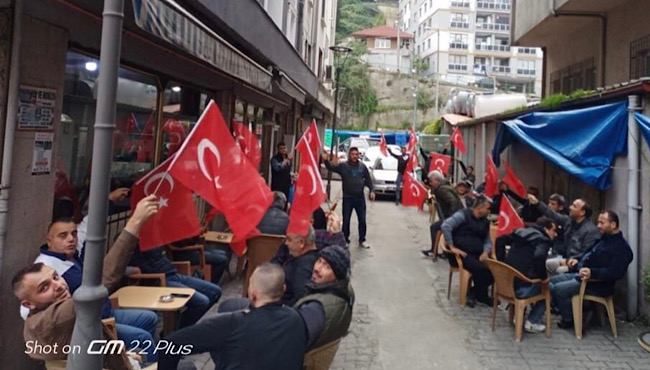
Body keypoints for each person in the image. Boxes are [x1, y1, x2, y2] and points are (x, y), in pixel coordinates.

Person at [12, 195, 159, 369]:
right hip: (103, 324)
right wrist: (135, 222)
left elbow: (86, 228)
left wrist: (123, 355)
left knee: (149, 319)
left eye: (56, 277)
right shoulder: (49, 320)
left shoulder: (70, 255)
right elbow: (101, 281)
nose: (58, 285)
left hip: (105, 330)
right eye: (44, 288)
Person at [158, 263, 308, 370]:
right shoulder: (297, 319)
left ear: (252, 293)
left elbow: (169, 345)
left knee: (187, 367)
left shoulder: (232, 324)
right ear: (283, 289)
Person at [550, 210, 633, 329]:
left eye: (602, 223)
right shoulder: (603, 239)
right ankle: (576, 309)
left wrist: (592, 273)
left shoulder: (621, 248)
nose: (598, 226)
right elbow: (588, 253)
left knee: (559, 289)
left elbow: (616, 272)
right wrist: (577, 260)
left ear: (613, 225)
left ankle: (569, 319)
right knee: (551, 282)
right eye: (598, 222)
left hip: (595, 284)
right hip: (580, 275)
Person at [130, 244, 222, 328]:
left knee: (216, 291)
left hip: (173, 274)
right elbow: (136, 268)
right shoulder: (131, 243)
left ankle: (180, 326)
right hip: (159, 281)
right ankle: (178, 330)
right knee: (202, 301)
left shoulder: (152, 237)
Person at [502, 217, 557, 333]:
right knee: (551, 288)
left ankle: (518, 316)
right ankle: (532, 321)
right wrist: (544, 277)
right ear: (546, 229)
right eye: (554, 230)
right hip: (522, 288)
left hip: (506, 285)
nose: (555, 234)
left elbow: (499, 240)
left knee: (527, 274)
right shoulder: (543, 240)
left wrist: (500, 260)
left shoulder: (519, 233)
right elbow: (539, 257)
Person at [295, 245, 354, 350]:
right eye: (319, 261)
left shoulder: (315, 309)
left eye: (327, 267)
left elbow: (294, 343)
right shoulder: (343, 291)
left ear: (337, 276)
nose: (317, 268)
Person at [441, 196, 494, 307]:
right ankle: (477, 294)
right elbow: (446, 226)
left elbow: (487, 240)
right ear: (481, 207)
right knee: (481, 269)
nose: (489, 211)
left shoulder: (485, 222)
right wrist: (451, 246)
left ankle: (475, 293)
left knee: (495, 271)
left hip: (478, 253)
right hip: (461, 253)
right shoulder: (463, 215)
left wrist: (485, 252)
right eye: (488, 208)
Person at [527, 194, 600, 274]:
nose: (570, 207)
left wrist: (569, 261)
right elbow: (553, 215)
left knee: (560, 270)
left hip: (577, 265)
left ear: (582, 212)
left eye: (574, 206)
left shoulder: (590, 231)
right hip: (565, 258)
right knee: (546, 263)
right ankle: (545, 285)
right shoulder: (569, 221)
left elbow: (587, 253)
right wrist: (538, 203)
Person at [323, 147, 375, 249]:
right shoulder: (343, 166)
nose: (355, 156)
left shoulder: (362, 167)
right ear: (349, 155)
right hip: (348, 198)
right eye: (353, 154)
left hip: (360, 198)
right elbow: (331, 167)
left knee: (362, 220)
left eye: (356, 154)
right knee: (346, 220)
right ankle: (345, 239)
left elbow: (368, 180)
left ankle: (362, 240)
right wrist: (325, 160)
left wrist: (372, 190)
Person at [422, 170, 463, 258]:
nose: (430, 183)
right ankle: (442, 251)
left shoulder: (442, 190)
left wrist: (451, 218)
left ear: (437, 180)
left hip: (455, 216)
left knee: (434, 227)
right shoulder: (443, 187)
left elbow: (454, 202)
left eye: (431, 181)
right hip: (456, 215)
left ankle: (434, 250)